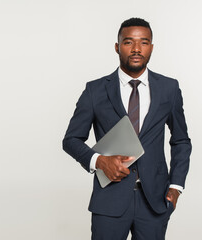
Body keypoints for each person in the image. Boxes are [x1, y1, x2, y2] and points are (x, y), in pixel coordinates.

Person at [62, 17, 192, 240]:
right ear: (117, 46)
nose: (136, 49)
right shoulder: (95, 90)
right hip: (109, 201)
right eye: (128, 42)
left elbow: (181, 141)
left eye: (143, 42)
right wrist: (100, 161)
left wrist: (176, 188)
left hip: (155, 202)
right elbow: (71, 140)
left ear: (151, 47)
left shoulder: (169, 88)